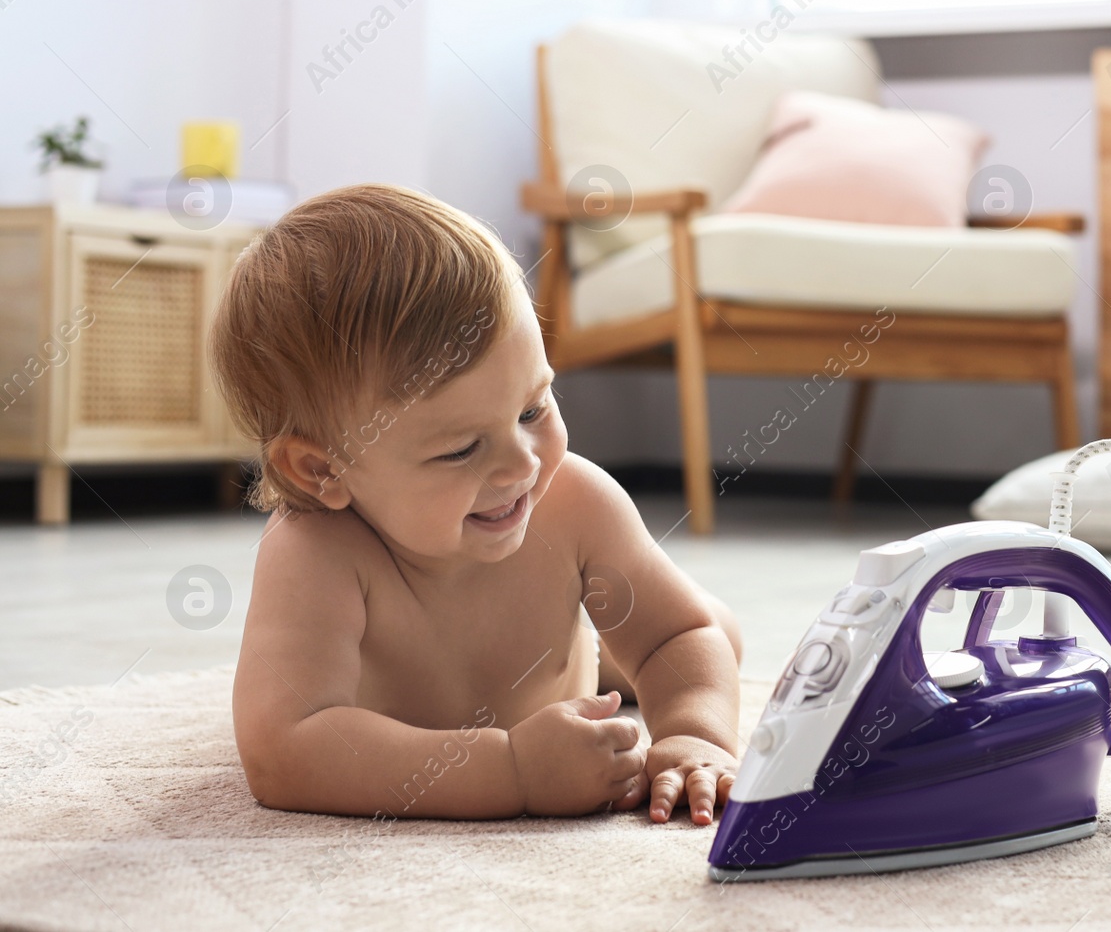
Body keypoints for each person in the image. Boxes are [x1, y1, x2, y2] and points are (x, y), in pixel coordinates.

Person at [210, 184, 742, 824]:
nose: (523, 463)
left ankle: (607, 659)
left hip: (567, 671)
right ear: (324, 469)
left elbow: (675, 634)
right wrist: (513, 770)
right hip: (512, 719)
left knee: (703, 634)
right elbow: (283, 751)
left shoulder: (574, 501)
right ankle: (602, 661)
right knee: (639, 650)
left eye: (532, 408)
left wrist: (694, 735)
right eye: (461, 449)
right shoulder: (313, 553)